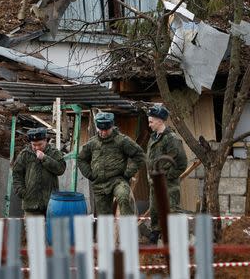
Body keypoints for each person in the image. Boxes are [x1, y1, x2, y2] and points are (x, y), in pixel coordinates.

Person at [78, 112, 146, 215]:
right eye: (101, 130)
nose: (104, 133)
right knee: (104, 216)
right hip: (99, 183)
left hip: (117, 180)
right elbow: (81, 159)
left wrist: (128, 173)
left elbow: (139, 155)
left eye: (106, 130)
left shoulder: (121, 141)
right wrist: (90, 175)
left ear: (111, 127)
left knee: (123, 197)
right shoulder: (92, 143)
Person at [146, 104, 188, 244]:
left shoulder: (171, 139)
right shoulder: (153, 138)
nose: (149, 123)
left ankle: (183, 242)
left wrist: (166, 177)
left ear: (159, 121)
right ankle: (156, 238)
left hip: (168, 186)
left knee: (173, 213)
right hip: (154, 184)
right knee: (155, 212)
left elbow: (182, 163)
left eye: (151, 121)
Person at [12, 127, 67, 216]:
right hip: (31, 204)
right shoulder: (25, 154)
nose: (37, 147)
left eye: (40, 144)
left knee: (51, 229)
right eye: (34, 145)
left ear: (46, 140)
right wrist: (22, 192)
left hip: (51, 203)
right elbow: (16, 174)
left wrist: (45, 158)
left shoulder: (54, 153)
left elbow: (61, 169)